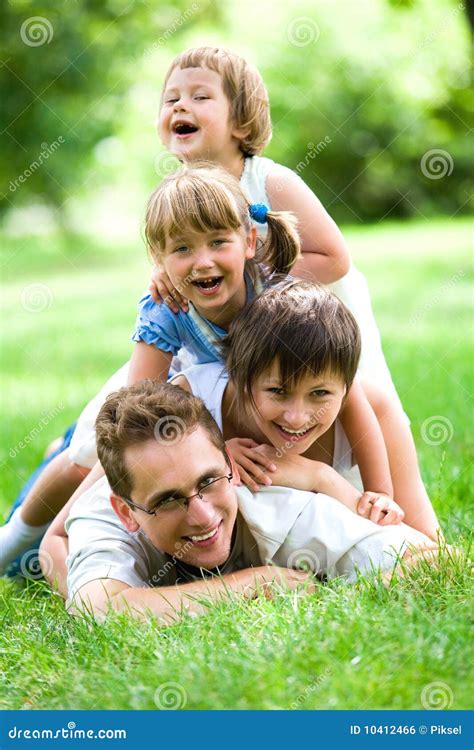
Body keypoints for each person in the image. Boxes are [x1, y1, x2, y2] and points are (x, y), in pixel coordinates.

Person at [0, 47, 430, 569]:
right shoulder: (173, 248)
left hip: (296, 335)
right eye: (172, 98)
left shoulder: (267, 185)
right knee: (89, 447)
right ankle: (22, 534)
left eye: (201, 96)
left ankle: (400, 520)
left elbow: (334, 257)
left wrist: (267, 296)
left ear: (241, 118)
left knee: (355, 410)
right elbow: (147, 398)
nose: (182, 105)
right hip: (197, 359)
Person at [41, 381, 437, 625]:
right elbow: (100, 611)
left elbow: (432, 559)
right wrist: (254, 582)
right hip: (84, 462)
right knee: (69, 459)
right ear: (126, 512)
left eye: (208, 481)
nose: (203, 516)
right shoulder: (100, 517)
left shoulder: (266, 502)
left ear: (230, 464)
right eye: (168, 500)